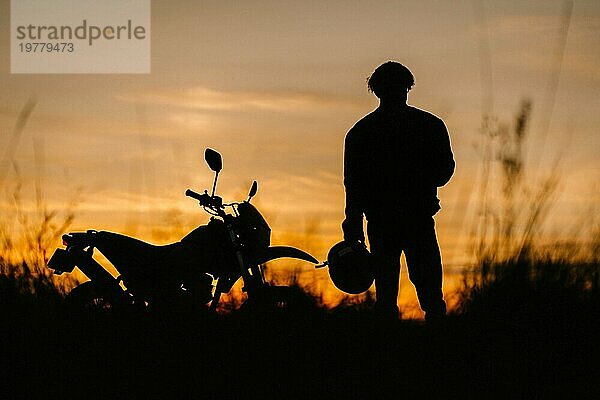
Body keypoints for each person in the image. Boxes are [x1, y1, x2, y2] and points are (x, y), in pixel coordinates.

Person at [342, 61, 455, 321]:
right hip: (415, 220)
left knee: (387, 295)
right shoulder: (430, 125)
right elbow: (445, 171)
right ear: (408, 87)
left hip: (386, 222)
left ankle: (389, 352)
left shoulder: (360, 133)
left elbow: (353, 185)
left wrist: (353, 222)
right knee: (429, 294)